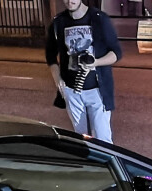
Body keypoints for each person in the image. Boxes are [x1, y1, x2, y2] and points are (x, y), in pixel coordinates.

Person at [46, 0, 122, 143]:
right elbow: (50, 55)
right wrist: (58, 80)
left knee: (102, 138)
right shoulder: (58, 22)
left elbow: (116, 52)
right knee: (81, 138)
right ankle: (88, 164)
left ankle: (106, 164)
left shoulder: (99, 18)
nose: (70, 1)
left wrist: (96, 62)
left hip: (98, 91)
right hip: (72, 91)